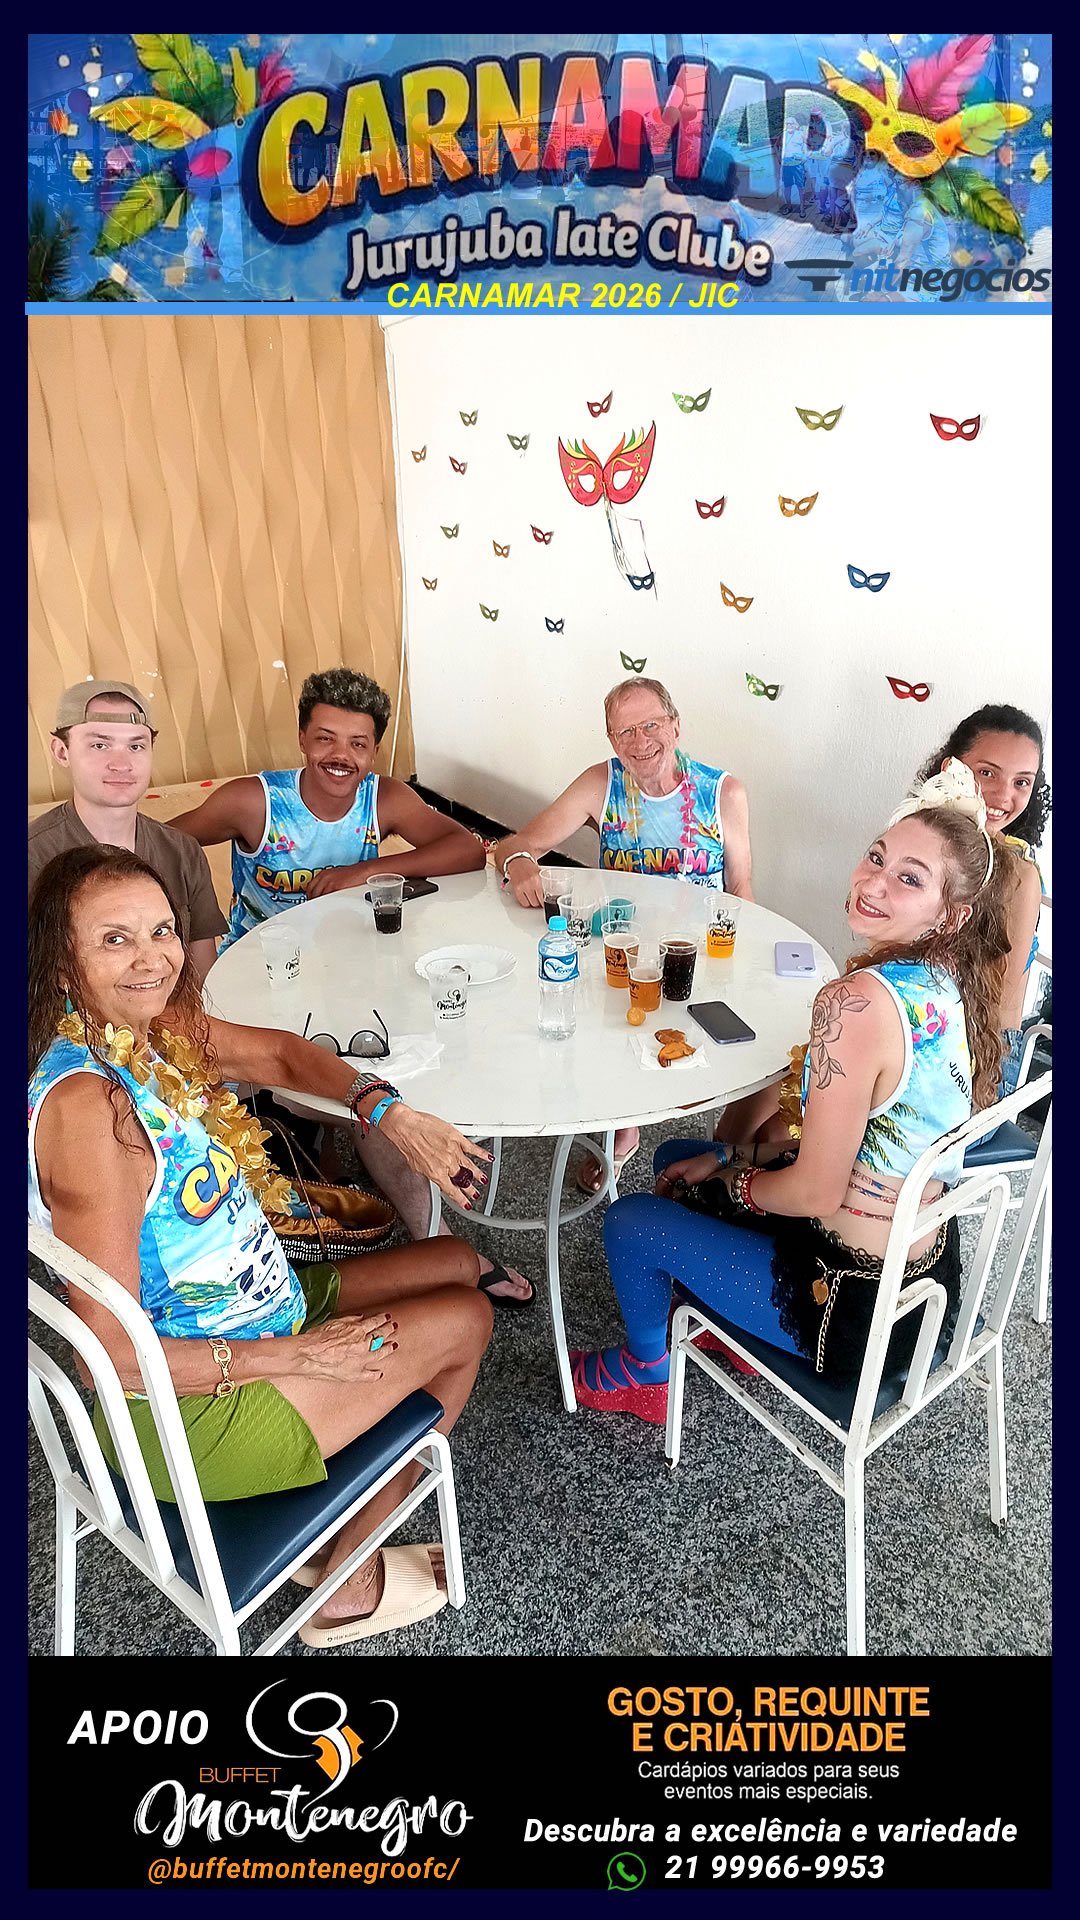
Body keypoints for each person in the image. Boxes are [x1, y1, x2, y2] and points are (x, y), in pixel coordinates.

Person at [28, 845, 501, 1647]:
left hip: (250, 1306)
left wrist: (389, 1113)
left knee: (457, 1262)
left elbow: (281, 1053)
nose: (152, 959)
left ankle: (339, 1504)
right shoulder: (91, 1111)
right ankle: (349, 1582)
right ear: (63, 963)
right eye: (115, 939)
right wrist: (302, 1357)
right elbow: (112, 1360)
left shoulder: (147, 1030)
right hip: (186, 1411)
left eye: (161, 931)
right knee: (469, 1318)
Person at [570, 764, 1016, 1421]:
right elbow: (845, 1146)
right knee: (679, 1159)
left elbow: (814, 1193)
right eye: (877, 857)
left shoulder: (856, 1004)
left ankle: (646, 1374)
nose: (873, 882)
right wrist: (728, 1158)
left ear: (951, 916)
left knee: (629, 1220)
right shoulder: (948, 984)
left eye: (909, 878)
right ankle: (720, 1314)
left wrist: (733, 1185)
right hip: (922, 1286)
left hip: (844, 1305)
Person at [494, 675, 754, 1191]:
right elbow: (516, 843)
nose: (640, 742)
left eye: (651, 725)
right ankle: (623, 1127)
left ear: (675, 726)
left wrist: (738, 957)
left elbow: (740, 887)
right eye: (625, 732)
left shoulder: (722, 792)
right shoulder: (602, 783)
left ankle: (721, 1144)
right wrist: (519, 862)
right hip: (621, 949)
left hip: (693, 952)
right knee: (601, 1011)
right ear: (612, 740)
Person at [170, 665, 485, 944]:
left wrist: (365, 872)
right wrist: (197, 921)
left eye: (357, 744)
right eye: (325, 738)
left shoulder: (383, 798)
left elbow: (468, 850)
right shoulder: (256, 801)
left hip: (349, 955)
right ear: (302, 739)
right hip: (261, 962)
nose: (341, 755)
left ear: (374, 753)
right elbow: (155, 843)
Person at [28, 681, 226, 982]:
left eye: (136, 746)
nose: (122, 764)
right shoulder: (32, 856)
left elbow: (202, 976)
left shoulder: (182, 851)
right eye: (100, 745)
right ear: (62, 751)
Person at [917, 705, 1050, 1093]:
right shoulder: (916, 843)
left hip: (978, 1056)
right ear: (951, 768)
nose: (1004, 795)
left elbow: (1000, 1012)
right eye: (988, 773)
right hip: (905, 1022)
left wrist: (982, 1089)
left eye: (1022, 782)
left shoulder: (1019, 876)